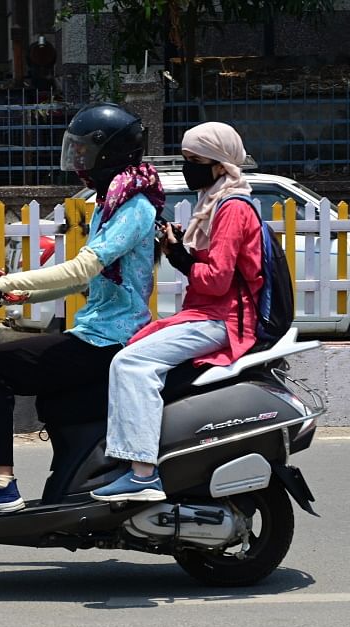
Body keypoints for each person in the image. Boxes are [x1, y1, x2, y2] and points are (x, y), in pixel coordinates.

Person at [0, 102, 165, 516]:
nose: (79, 158)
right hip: (96, 332)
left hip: (110, 340)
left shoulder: (135, 207)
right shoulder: (110, 203)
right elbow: (84, 280)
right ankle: (73, 489)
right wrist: (19, 296)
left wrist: (4, 282)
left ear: (112, 152)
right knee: (54, 403)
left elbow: (83, 267)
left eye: (86, 150)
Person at [90, 121, 264, 502]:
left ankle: (141, 474)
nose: (188, 167)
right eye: (186, 158)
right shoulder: (216, 202)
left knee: (131, 362)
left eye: (195, 159)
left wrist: (182, 259)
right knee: (134, 348)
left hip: (222, 320)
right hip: (206, 313)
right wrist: (178, 251)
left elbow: (217, 280)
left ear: (219, 163)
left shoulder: (232, 208)